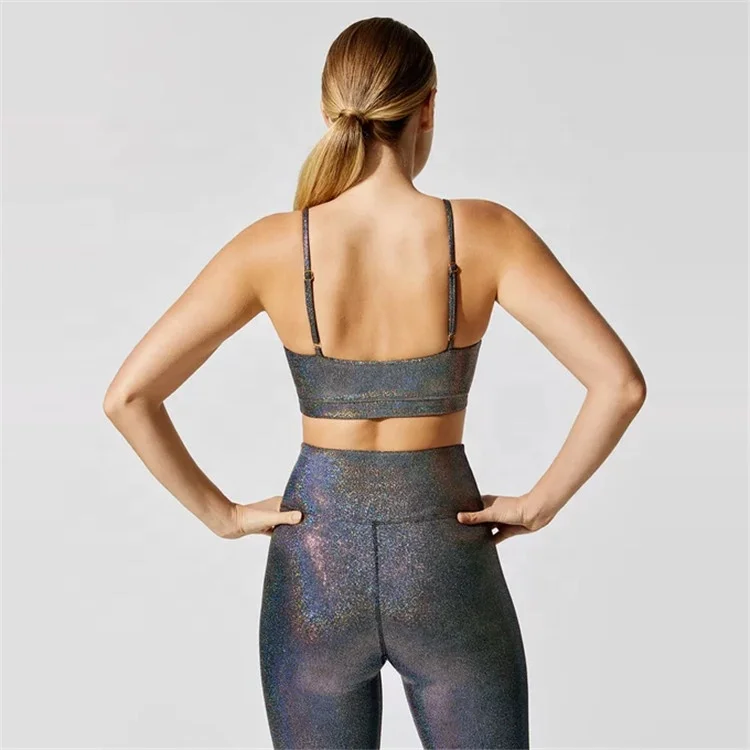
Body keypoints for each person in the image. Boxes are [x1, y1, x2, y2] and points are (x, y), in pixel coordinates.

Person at [103, 16, 646, 750]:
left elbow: (128, 396)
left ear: (331, 110)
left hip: (315, 561)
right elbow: (619, 384)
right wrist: (538, 505)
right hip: (444, 553)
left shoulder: (271, 245)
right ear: (428, 107)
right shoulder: (486, 232)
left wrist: (222, 515)